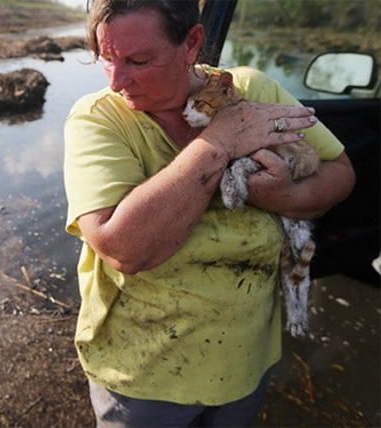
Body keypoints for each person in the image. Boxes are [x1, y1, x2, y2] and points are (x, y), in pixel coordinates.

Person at [63, 0, 355, 426]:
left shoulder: (255, 90)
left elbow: (341, 172)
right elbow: (124, 249)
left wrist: (284, 197)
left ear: (192, 43)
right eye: (105, 59)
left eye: (138, 60)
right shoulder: (100, 119)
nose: (116, 81)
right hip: (143, 372)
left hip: (244, 359)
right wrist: (218, 143)